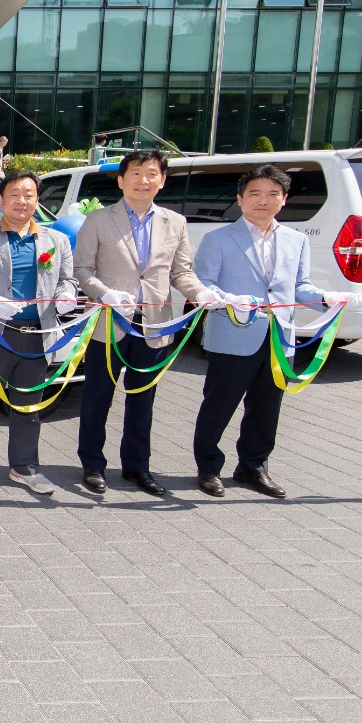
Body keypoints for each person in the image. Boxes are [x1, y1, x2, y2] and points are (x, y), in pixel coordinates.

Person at [192, 165, 362, 499]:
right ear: (240, 199)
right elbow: (204, 285)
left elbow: (299, 287)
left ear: (284, 199)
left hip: (280, 338)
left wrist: (327, 299)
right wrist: (230, 301)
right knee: (218, 405)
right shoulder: (217, 239)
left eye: (273, 194)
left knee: (267, 407)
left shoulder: (296, 240)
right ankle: (208, 468)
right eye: (255, 193)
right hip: (233, 336)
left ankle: (253, 466)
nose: (264, 200)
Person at [73, 149, 222, 496]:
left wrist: (200, 292)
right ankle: (92, 464)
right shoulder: (98, 220)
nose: (143, 180)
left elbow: (181, 272)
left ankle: (137, 466)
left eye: (151, 173)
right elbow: (82, 269)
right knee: (97, 397)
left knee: (143, 399)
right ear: (121, 180)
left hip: (154, 324)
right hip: (109, 321)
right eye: (136, 173)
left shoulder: (175, 222)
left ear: (162, 180)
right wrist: (104, 292)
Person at [0, 172, 78, 497]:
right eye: (14, 194)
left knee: (28, 408)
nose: (21, 201)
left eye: (29, 195)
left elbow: (67, 280)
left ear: (37, 201)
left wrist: (66, 295)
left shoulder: (56, 241)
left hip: (37, 336)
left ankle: (24, 467)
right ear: (0, 200)